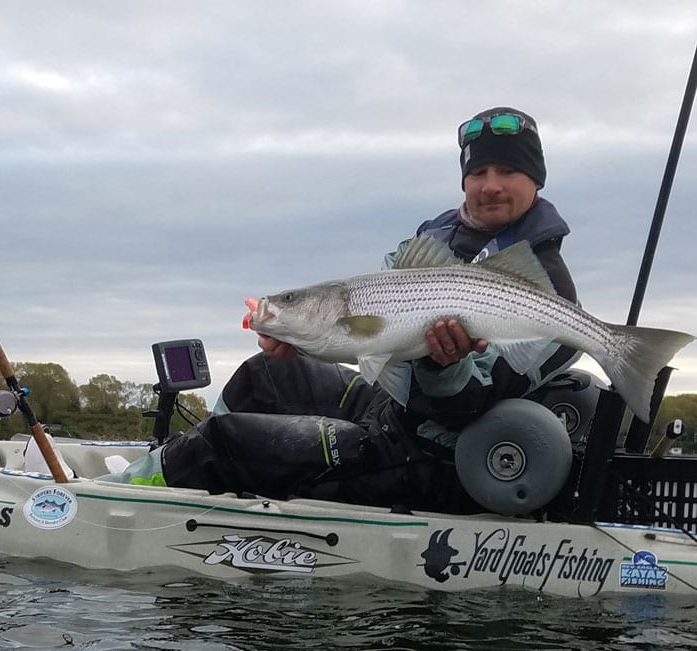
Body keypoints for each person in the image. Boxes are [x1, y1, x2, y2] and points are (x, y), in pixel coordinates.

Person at [103, 106, 580, 512]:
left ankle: (119, 503)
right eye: (478, 172)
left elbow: (466, 410)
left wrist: (441, 365)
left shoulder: (550, 292)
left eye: (508, 172)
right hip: (389, 406)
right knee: (264, 373)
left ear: (535, 179)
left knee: (227, 438)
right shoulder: (433, 238)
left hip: (432, 456)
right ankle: (180, 475)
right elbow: (373, 340)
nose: (490, 185)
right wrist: (296, 331)